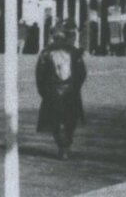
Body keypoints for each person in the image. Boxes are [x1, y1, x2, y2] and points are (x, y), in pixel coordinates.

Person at [34, 26, 88, 158]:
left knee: (54, 120)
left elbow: (39, 74)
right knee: (71, 118)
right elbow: (82, 73)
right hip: (71, 91)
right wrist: (75, 86)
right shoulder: (74, 52)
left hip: (52, 90)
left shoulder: (45, 52)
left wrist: (43, 91)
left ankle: (61, 145)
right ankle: (67, 144)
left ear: (53, 37)